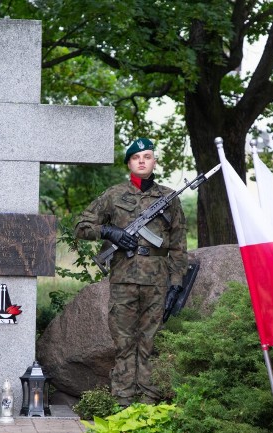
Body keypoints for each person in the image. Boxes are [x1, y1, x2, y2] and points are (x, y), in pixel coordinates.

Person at [75, 138, 188, 405]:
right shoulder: (114, 195)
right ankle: (122, 404)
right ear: (129, 163)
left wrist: (176, 282)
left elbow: (179, 245)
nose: (141, 161)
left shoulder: (169, 198)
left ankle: (148, 404)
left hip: (157, 281)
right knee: (124, 344)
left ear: (154, 162)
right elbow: (81, 225)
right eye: (136, 157)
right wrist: (107, 230)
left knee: (150, 343)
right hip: (124, 280)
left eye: (147, 156)